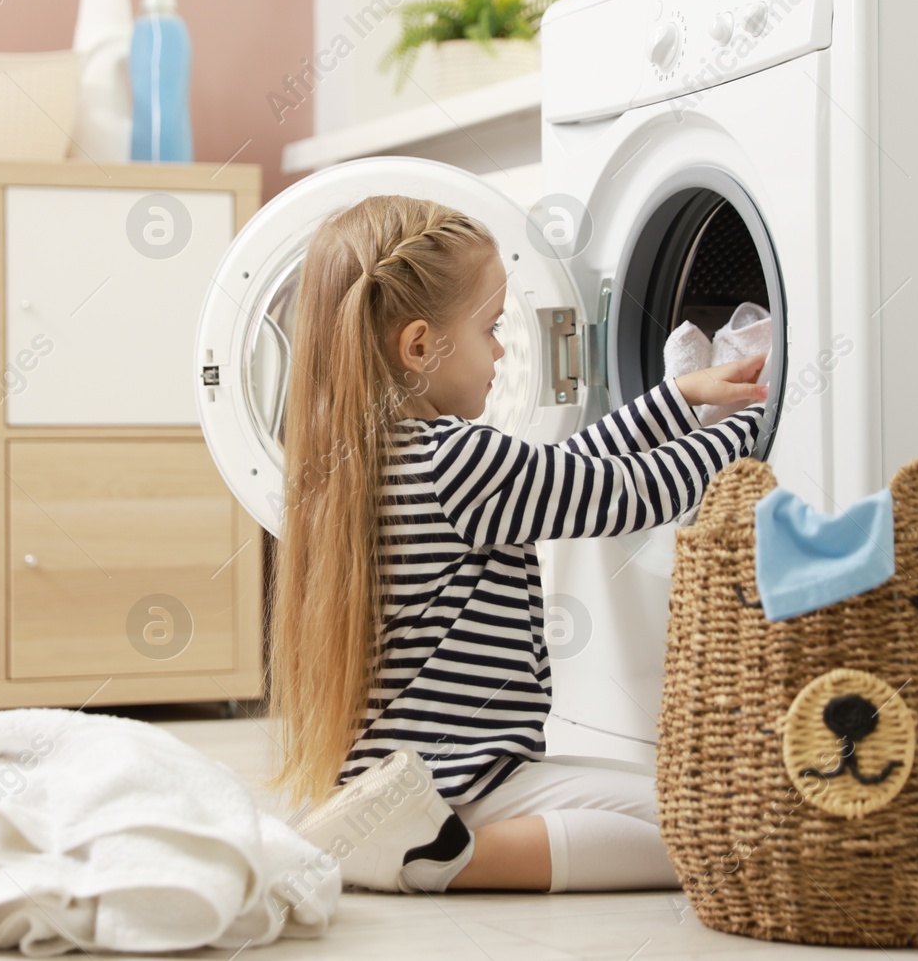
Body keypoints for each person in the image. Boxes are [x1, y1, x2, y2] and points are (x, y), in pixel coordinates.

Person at [266, 195, 767, 894]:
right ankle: (442, 856)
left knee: (683, 813)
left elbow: (566, 472)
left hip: (396, 772)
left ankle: (395, 835)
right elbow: (630, 492)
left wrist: (677, 399)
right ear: (418, 346)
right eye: (491, 328)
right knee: (711, 830)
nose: (500, 350)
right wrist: (758, 422)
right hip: (460, 782)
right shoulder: (456, 461)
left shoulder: (359, 465)